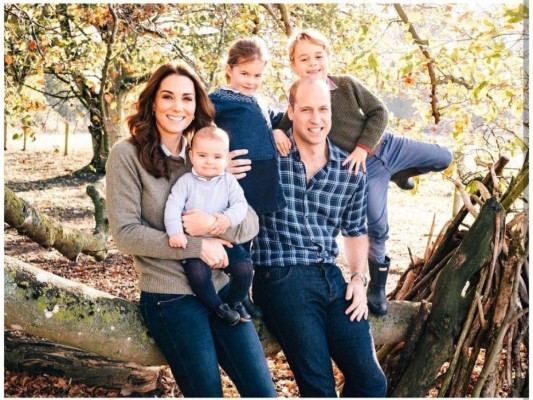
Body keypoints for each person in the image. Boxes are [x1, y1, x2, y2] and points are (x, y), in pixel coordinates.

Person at [105, 63, 276, 398]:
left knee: (263, 392)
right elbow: (126, 233)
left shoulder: (207, 156)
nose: (177, 106)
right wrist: (197, 246)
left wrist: (215, 223)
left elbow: (251, 222)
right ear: (152, 102)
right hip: (170, 295)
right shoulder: (126, 155)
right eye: (167, 96)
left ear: (197, 105)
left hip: (222, 290)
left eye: (187, 98)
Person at [273, 29, 453, 315]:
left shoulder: (346, 85)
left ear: (328, 57)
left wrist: (362, 146)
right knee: (376, 225)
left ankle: (401, 173)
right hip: (365, 169)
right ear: (293, 65)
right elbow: (285, 122)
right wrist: (275, 132)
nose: (313, 63)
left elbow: (379, 112)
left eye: (318, 56)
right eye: (304, 59)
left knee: (444, 157)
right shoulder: (301, 99)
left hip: (387, 146)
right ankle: (377, 287)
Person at [252, 77, 387, 397]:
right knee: (319, 388)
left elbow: (355, 230)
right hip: (281, 275)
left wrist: (358, 277)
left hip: (330, 275)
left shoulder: (349, 168)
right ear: (291, 111)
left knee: (372, 383)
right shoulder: (268, 155)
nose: (316, 118)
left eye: (323, 109)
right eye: (307, 109)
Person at [164, 126, 252, 325]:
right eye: (202, 155)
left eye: (217, 157)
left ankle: (234, 302)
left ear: (226, 158)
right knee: (198, 275)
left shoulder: (229, 182)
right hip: (195, 244)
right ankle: (218, 308)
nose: (209, 162)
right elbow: (172, 206)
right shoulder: (185, 182)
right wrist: (175, 232)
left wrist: (226, 219)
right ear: (191, 155)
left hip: (222, 240)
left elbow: (240, 205)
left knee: (245, 268)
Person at [209, 36, 286, 219]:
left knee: (258, 233)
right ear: (229, 69)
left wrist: (278, 129)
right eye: (244, 74)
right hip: (244, 178)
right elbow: (196, 125)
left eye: (257, 75)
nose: (251, 81)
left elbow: (275, 119)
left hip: (266, 178)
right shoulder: (220, 99)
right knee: (238, 231)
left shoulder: (258, 99)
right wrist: (218, 159)